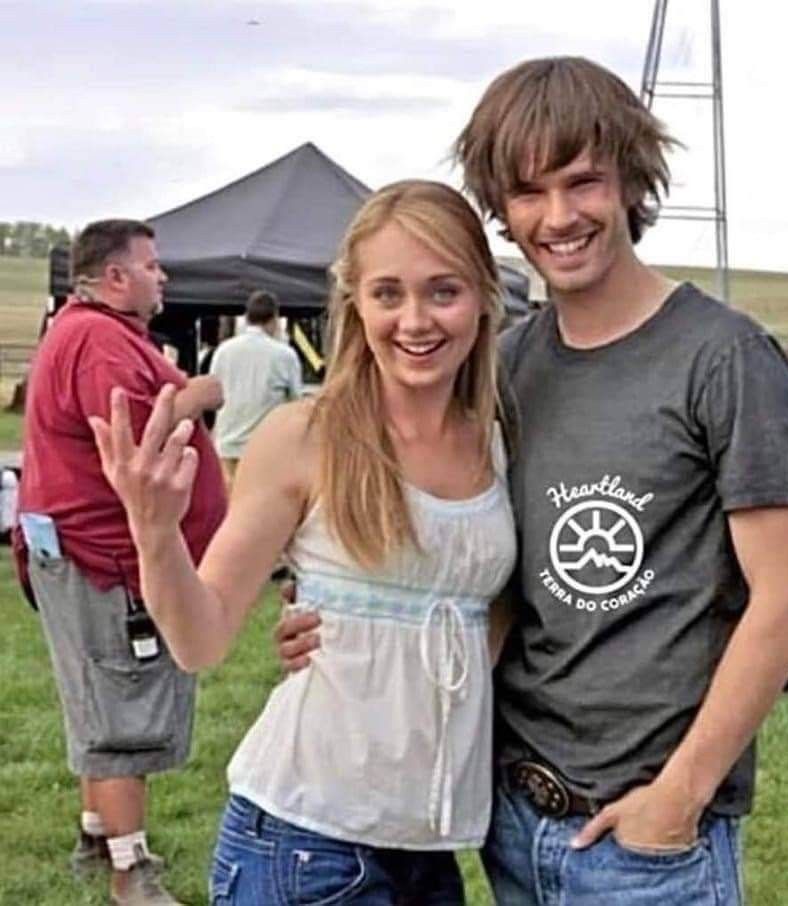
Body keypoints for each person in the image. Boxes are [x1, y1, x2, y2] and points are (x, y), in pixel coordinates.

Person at [279, 57, 788, 904]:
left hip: (648, 845)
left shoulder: (724, 357)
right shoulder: (505, 365)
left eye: (584, 183)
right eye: (529, 192)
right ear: (500, 207)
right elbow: (473, 568)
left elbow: (787, 596)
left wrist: (679, 797)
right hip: (512, 819)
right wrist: (340, 626)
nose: (559, 217)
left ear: (632, 182)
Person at [89, 182, 516, 905]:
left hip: (429, 851)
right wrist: (155, 533)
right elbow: (201, 639)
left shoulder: (502, 442)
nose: (414, 320)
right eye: (387, 294)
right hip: (303, 841)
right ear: (355, 304)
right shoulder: (305, 437)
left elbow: (490, 612)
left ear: (482, 297)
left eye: (442, 291)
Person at [13, 219, 227, 905]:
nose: (162, 277)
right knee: (121, 709)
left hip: (83, 551)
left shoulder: (89, 332)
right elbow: (141, 439)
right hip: (102, 557)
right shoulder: (100, 342)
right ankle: (130, 874)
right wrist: (200, 393)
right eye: (152, 265)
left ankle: (95, 834)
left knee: (97, 695)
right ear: (115, 277)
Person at [209, 290, 303, 492]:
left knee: (230, 506)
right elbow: (296, 403)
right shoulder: (284, 355)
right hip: (267, 448)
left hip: (227, 444)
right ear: (275, 319)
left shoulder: (223, 351)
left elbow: (214, 394)